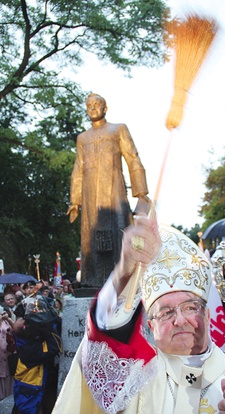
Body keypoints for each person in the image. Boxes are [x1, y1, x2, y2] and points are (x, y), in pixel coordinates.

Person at [52, 213, 225, 413]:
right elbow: (103, 338)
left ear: (207, 316)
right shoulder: (136, 374)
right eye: (166, 312)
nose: (179, 320)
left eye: (190, 307)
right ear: (151, 326)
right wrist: (123, 275)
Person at [67, 93, 148, 287]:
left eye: (97, 104)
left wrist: (142, 194)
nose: (93, 108)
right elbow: (78, 168)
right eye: (89, 106)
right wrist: (75, 201)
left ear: (105, 108)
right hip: (89, 197)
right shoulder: (82, 138)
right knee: (90, 238)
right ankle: (91, 281)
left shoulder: (118, 129)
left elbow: (133, 158)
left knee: (119, 234)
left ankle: (124, 280)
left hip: (114, 192)